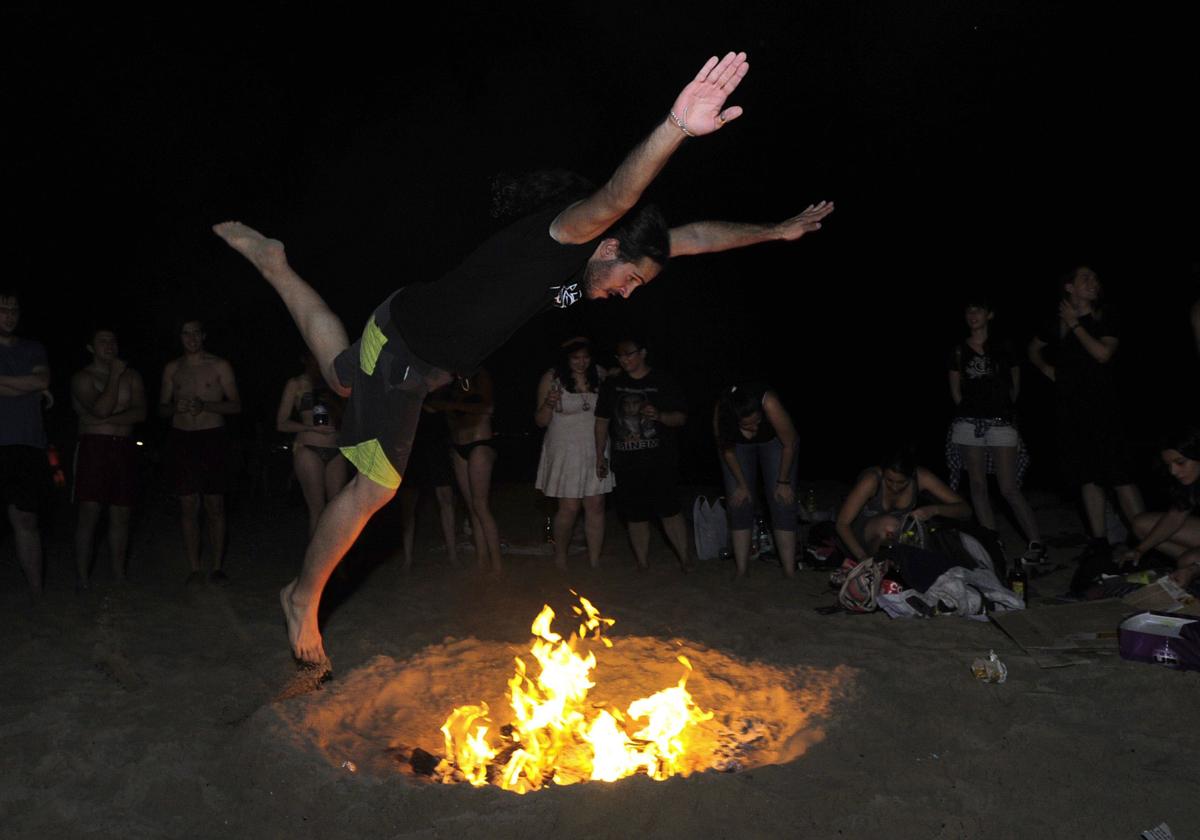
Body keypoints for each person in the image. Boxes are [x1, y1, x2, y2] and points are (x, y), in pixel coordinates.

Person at [214, 51, 834, 663]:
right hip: (408, 348)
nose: (624, 294)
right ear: (608, 244)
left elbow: (694, 238)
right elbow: (619, 195)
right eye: (628, 281)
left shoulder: (606, 256)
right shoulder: (567, 234)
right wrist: (674, 127)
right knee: (377, 485)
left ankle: (274, 263)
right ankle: (301, 597)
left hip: (407, 333)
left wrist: (775, 231)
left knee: (338, 378)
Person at [1029, 266, 1144, 588]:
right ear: (1069, 286)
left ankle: (1145, 539)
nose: (1093, 283)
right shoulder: (1054, 322)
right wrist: (1046, 368)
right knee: (1087, 476)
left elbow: (1103, 353)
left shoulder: (1105, 316)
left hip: (1104, 409)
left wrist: (1076, 324)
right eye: (1085, 279)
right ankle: (1099, 542)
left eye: (1095, 278)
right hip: (1071, 410)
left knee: (1121, 475)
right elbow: (1033, 347)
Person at [945, 298, 1044, 564]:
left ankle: (1036, 543)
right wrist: (968, 411)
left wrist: (1004, 410)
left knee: (1008, 487)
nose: (972, 314)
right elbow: (955, 388)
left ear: (990, 314)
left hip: (1000, 422)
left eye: (978, 309)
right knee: (977, 484)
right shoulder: (958, 350)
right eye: (968, 309)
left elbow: (1014, 385)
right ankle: (992, 541)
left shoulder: (1004, 346)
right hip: (969, 423)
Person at [594, 338, 691, 571]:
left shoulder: (662, 380)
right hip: (626, 461)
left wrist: (659, 416)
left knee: (670, 511)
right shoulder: (613, 383)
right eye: (620, 356)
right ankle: (642, 563)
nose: (625, 360)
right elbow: (602, 421)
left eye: (630, 355)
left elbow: (681, 418)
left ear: (643, 353)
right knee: (635, 515)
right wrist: (599, 455)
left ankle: (685, 559)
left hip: (660, 459)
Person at [159, 319, 242, 585]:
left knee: (214, 504)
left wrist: (206, 405)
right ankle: (194, 568)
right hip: (182, 438)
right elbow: (161, 408)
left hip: (212, 437)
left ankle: (217, 567)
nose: (191, 337)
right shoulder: (173, 369)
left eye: (196, 332)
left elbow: (236, 405)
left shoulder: (219, 365)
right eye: (186, 333)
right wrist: (176, 408)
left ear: (203, 336)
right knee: (187, 504)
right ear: (180, 337)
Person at [70, 328, 146, 587]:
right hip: (94, 446)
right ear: (91, 347)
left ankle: (119, 574)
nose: (109, 345)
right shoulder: (82, 377)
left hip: (123, 446)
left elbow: (139, 413)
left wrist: (103, 419)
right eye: (102, 341)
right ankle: (82, 576)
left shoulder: (133, 376)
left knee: (121, 513)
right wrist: (114, 375)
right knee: (89, 511)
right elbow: (100, 406)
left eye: (113, 340)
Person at [535, 337, 613, 570]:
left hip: (595, 447)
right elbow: (540, 421)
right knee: (569, 507)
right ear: (566, 359)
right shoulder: (552, 378)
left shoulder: (599, 374)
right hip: (565, 450)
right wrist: (549, 404)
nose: (581, 362)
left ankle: (595, 559)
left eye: (585, 357)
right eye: (575, 358)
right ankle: (560, 555)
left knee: (596, 504)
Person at [713, 383, 799, 578]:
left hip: (777, 443)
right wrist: (743, 486)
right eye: (748, 424)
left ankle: (789, 571)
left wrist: (783, 482)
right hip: (737, 448)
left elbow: (790, 444)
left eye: (757, 420)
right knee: (739, 500)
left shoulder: (769, 403)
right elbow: (727, 451)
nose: (755, 427)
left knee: (782, 501)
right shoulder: (723, 413)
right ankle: (741, 570)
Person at [836, 447, 973, 563]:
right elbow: (842, 523)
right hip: (860, 536)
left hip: (900, 534)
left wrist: (934, 510)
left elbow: (965, 510)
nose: (895, 487)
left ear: (912, 474)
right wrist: (862, 557)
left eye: (901, 482)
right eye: (889, 480)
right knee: (889, 525)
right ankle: (876, 566)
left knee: (929, 536)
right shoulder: (871, 480)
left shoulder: (922, 476)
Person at [425, 371, 502, 573]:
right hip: (457, 446)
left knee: (480, 506)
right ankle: (481, 562)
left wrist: (450, 406)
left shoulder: (480, 376)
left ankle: (497, 567)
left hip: (479, 444)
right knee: (471, 507)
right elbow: (430, 404)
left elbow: (488, 407)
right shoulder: (449, 382)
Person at [0, 289, 50, 597]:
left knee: (26, 518)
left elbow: (41, 381)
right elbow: (31, 385)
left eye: (14, 310)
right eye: (2, 309)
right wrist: (26, 387)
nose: (9, 315)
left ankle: (36, 592)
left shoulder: (33, 348)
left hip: (28, 443)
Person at [276, 352, 349, 537]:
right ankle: (317, 564)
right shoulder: (296, 383)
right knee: (317, 509)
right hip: (308, 449)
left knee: (337, 510)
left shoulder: (336, 382)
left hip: (336, 449)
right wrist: (310, 427)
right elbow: (281, 423)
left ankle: (338, 563)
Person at [1119, 427, 1200, 589]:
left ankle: (1192, 565)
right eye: (1169, 464)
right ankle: (1190, 564)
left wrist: (1194, 568)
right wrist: (1140, 550)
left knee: (1187, 561)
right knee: (1141, 524)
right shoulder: (1191, 481)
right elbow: (1175, 518)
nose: (1174, 471)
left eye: (1180, 462)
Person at [397, 404, 458, 571]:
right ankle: (408, 559)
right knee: (408, 507)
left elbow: (452, 422)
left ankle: (453, 556)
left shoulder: (443, 392)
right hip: (413, 450)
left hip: (438, 448)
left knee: (446, 500)